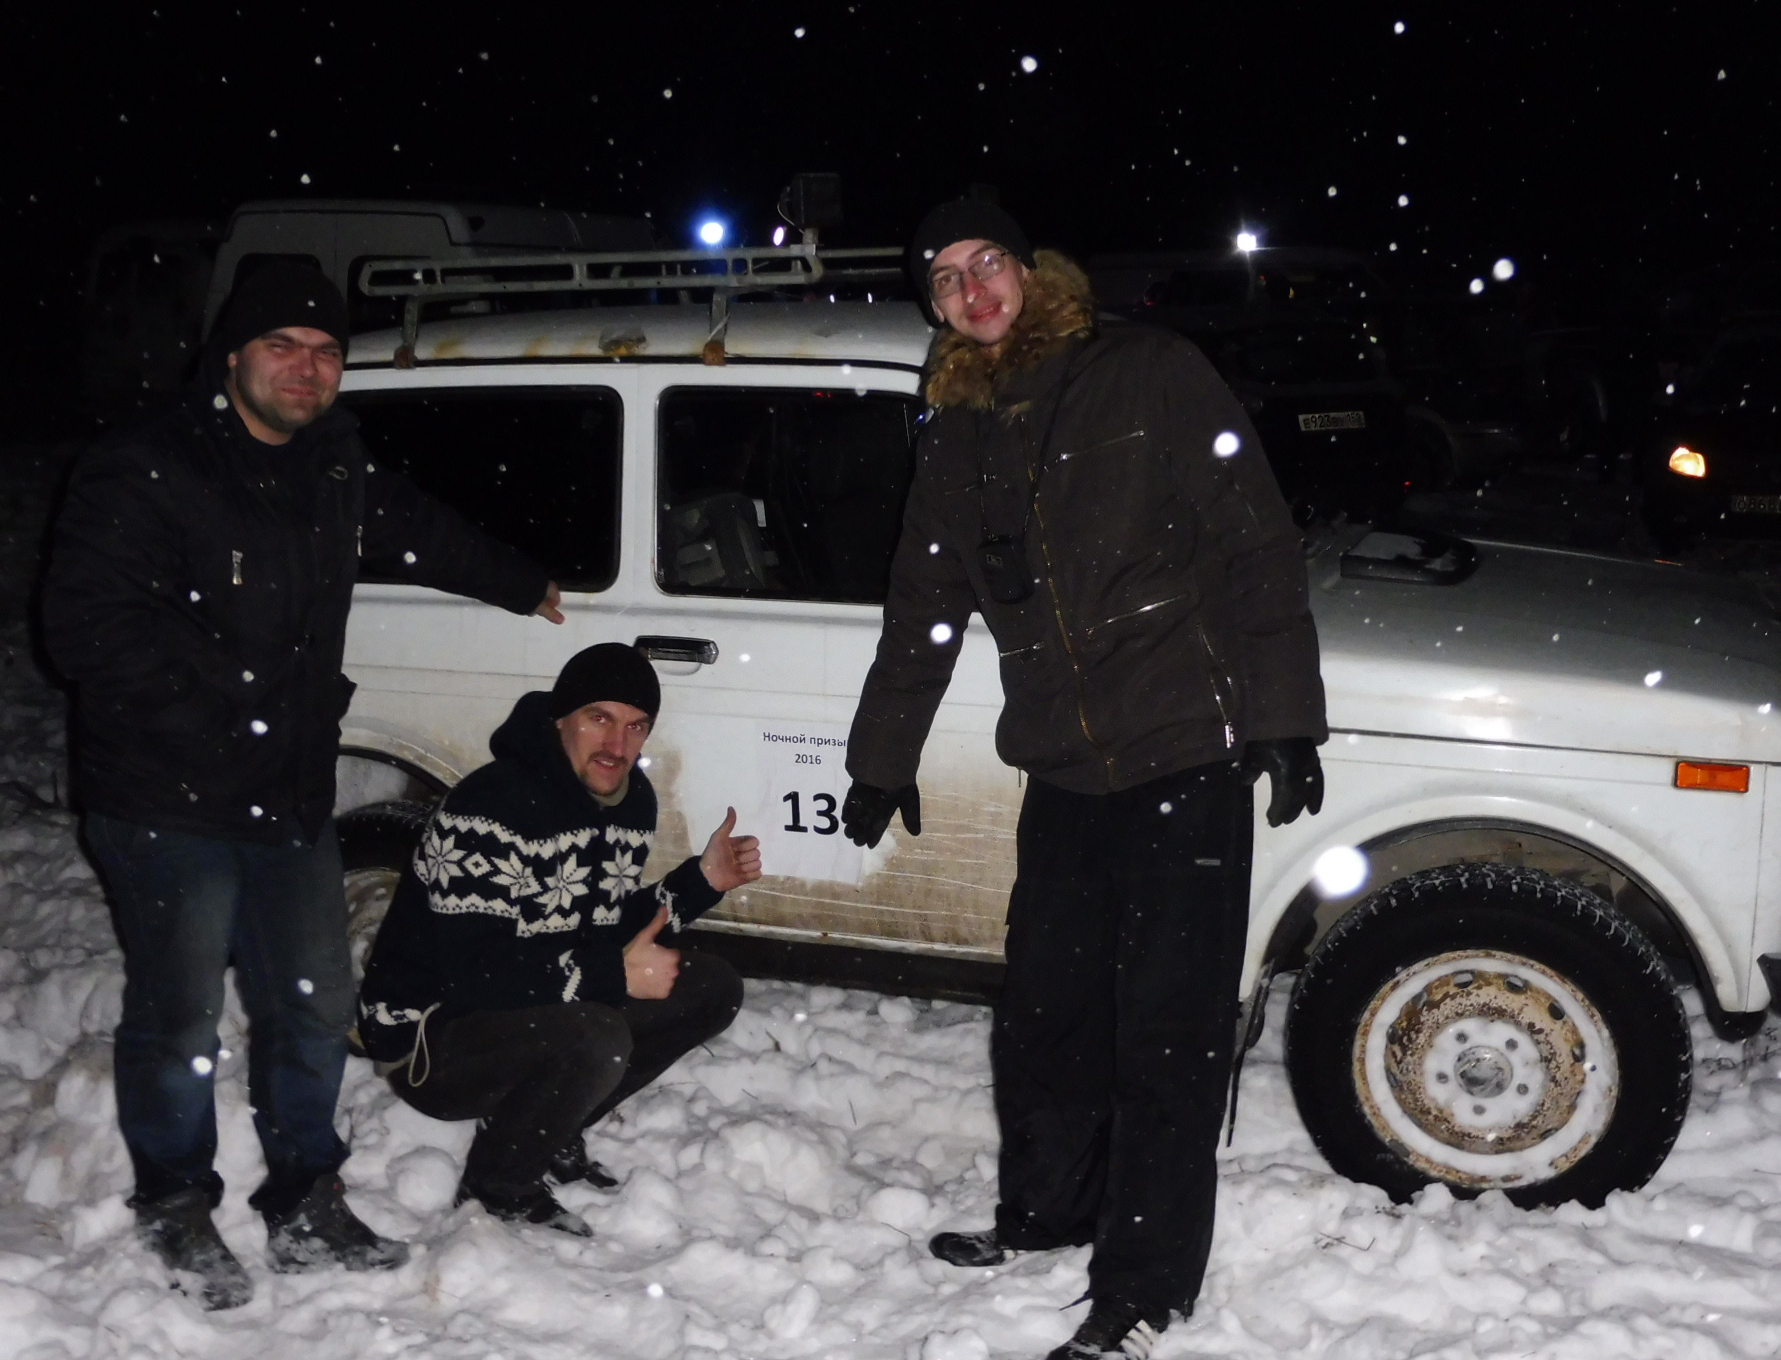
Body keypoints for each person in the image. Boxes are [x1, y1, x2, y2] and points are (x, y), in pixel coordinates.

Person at [841, 197, 1328, 1360]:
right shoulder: (954, 432)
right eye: (945, 278)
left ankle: (1140, 1289)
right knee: (1046, 1015)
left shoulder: (1146, 373)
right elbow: (922, 606)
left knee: (1165, 1032)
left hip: (1183, 749)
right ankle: (1046, 1210)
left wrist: (1281, 718)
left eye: (984, 263)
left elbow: (1254, 541)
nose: (971, 290)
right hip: (1063, 767)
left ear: (1027, 267)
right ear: (935, 307)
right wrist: (881, 758)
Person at [42, 261, 565, 1310]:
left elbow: (417, 529)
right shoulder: (146, 466)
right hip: (164, 799)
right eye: (281, 344)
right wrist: (227, 712)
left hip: (284, 796)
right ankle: (175, 1201)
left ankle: (304, 1197)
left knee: (315, 1004)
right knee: (179, 1018)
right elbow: (83, 629)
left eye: (325, 350)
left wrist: (523, 582)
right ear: (232, 354)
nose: (306, 367)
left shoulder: (332, 464)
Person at [356, 643, 759, 1235]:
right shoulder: (491, 807)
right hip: (430, 1038)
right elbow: (473, 974)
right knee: (597, 1034)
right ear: (560, 719)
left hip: (522, 1005)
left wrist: (701, 882)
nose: (617, 745)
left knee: (709, 986)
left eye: (636, 726)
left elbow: (605, 927)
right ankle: (498, 1185)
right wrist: (612, 976)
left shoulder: (630, 803)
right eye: (600, 718)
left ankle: (548, 1125)